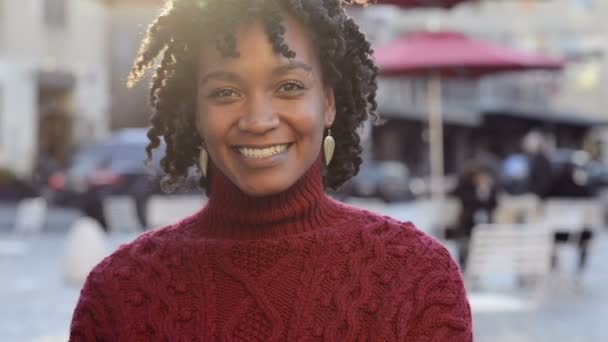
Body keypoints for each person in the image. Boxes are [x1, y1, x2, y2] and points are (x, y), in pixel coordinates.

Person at [70, 0, 472, 340]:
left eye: (289, 87)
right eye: (225, 92)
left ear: (328, 102)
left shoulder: (414, 278)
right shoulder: (119, 294)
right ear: (195, 112)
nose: (258, 120)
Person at [452, 163, 498, 270]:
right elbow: (466, 200)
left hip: (485, 225)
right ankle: (465, 267)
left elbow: (493, 204)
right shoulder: (465, 187)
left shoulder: (489, 188)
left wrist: (484, 190)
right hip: (468, 225)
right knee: (465, 247)